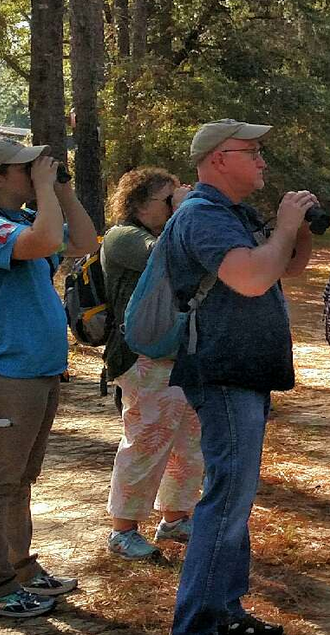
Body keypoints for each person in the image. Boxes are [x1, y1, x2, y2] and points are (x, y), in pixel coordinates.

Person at [166, 119, 318, 635]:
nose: (262, 161)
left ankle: (225, 610)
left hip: (244, 368)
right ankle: (200, 622)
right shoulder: (203, 217)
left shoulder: (233, 214)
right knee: (227, 497)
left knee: (236, 494)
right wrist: (281, 228)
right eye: (250, 152)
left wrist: (295, 232)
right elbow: (252, 277)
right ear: (216, 159)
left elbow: (284, 268)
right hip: (222, 368)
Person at [0, 138, 98, 618]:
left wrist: (62, 190)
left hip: (36, 371)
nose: (37, 172)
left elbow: (83, 243)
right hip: (2, 374)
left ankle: (22, 570)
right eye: (26, 168)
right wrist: (46, 191)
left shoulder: (20, 221)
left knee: (20, 479)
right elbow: (48, 242)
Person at [102, 168, 205, 561]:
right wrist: (186, 210)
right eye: (166, 200)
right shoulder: (122, 236)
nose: (172, 206)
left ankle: (175, 517)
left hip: (178, 355)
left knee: (187, 444)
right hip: (141, 357)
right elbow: (168, 259)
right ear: (141, 203)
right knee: (145, 443)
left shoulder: (161, 232)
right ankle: (123, 529)